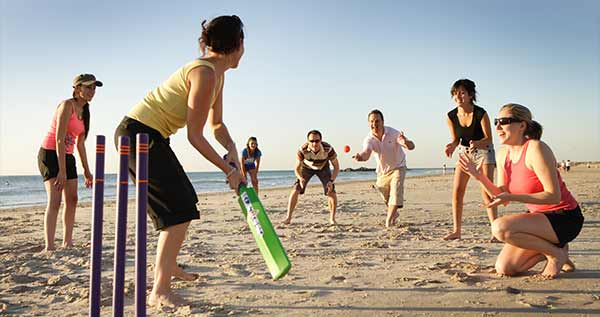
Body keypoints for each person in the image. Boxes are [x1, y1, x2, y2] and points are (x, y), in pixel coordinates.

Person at [114, 15, 246, 307]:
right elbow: (195, 136)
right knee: (179, 207)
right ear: (238, 44)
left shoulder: (217, 75)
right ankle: (159, 290)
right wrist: (229, 171)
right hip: (138, 134)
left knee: (183, 204)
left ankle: (168, 266)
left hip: (151, 135)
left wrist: (232, 148)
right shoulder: (205, 73)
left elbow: (217, 125)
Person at [458, 103, 583, 279]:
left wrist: (512, 196)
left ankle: (555, 255)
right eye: (496, 121)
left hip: (564, 217)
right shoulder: (503, 155)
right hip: (538, 220)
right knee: (505, 268)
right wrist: (479, 176)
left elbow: (553, 196)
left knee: (500, 228)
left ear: (522, 125)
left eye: (504, 121)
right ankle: (559, 249)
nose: (497, 126)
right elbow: (502, 195)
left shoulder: (536, 148)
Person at [38, 74, 102, 251]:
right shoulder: (67, 105)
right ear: (77, 89)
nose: (92, 91)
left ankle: (67, 242)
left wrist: (87, 171)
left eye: (94, 88)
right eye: (88, 87)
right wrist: (61, 170)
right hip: (50, 154)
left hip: (67, 156)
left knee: (72, 199)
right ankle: (49, 246)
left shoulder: (86, 112)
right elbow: (59, 139)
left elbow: (80, 144)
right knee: (55, 201)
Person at [443, 79, 497, 241]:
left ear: (470, 95)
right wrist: (451, 146)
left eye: (462, 92)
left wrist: (477, 143)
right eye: (455, 93)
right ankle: (457, 231)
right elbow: (456, 139)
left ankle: (495, 231)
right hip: (465, 153)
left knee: (487, 192)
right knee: (457, 192)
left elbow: (488, 138)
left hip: (484, 152)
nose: (458, 96)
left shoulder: (481, 113)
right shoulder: (451, 116)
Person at [353, 109, 415, 228]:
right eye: (371, 121)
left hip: (398, 166)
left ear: (382, 122)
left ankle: (389, 221)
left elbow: (410, 146)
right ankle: (394, 213)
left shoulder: (393, 133)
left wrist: (406, 142)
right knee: (383, 192)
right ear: (368, 123)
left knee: (396, 191)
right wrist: (360, 157)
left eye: (377, 121)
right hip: (383, 171)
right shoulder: (369, 139)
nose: (374, 124)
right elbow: (366, 153)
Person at [283, 130, 340, 225]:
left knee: (331, 191)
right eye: (312, 141)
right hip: (306, 168)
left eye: (317, 141)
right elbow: (296, 169)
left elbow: (336, 167)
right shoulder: (302, 150)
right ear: (308, 141)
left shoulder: (328, 149)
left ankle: (332, 219)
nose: (314, 143)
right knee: (296, 189)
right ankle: (288, 218)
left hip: (323, 167)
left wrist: (331, 181)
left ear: (321, 140)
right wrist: (300, 178)